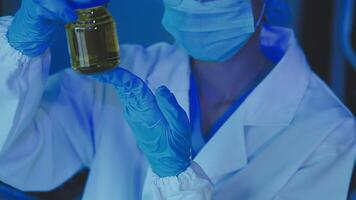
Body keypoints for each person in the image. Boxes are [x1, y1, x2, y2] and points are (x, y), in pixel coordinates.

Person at [0, 0, 354, 199]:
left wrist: (176, 178)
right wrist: (18, 54)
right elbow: (12, 155)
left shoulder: (329, 137)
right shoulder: (124, 74)